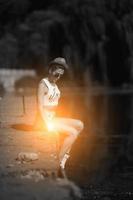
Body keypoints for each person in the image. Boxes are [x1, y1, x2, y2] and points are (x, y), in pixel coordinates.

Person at [38, 57, 84, 169]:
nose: (58, 77)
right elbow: (39, 106)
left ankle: (64, 157)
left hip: (53, 118)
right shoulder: (43, 84)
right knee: (73, 132)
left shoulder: (55, 85)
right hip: (44, 120)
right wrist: (46, 124)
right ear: (50, 70)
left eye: (60, 75)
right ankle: (58, 160)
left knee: (80, 124)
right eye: (56, 74)